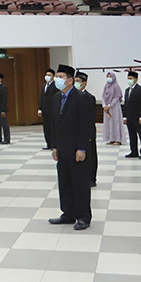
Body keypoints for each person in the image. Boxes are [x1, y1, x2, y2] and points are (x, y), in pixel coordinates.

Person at [48, 64, 94, 230]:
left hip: (77, 149)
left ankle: (83, 216)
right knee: (65, 182)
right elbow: (54, 124)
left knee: (80, 183)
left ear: (70, 80)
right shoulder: (56, 98)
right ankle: (67, 214)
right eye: (57, 76)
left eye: (60, 77)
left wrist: (82, 148)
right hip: (62, 148)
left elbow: (85, 126)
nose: (57, 79)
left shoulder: (82, 98)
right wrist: (54, 146)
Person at [74, 72, 98, 187]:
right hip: (75, 132)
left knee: (91, 157)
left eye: (78, 81)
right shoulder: (72, 97)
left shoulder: (89, 98)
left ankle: (92, 179)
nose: (76, 83)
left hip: (88, 132)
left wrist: (89, 134)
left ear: (84, 83)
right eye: (75, 81)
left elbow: (91, 117)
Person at [124, 71, 141, 159]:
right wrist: (125, 116)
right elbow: (126, 104)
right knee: (131, 134)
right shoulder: (127, 90)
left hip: (138, 117)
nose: (129, 80)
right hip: (129, 117)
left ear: (136, 79)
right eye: (128, 78)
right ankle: (134, 151)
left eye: (131, 78)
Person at [101, 72, 125, 146]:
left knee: (115, 123)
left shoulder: (116, 86)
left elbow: (117, 97)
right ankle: (111, 139)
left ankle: (118, 139)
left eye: (110, 76)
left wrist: (109, 105)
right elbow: (103, 96)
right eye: (107, 76)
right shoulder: (106, 86)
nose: (109, 78)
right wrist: (104, 105)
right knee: (108, 123)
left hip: (114, 107)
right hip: (106, 108)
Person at [38, 68, 58, 150]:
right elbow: (42, 98)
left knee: (52, 128)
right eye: (46, 75)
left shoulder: (55, 85)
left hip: (52, 110)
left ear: (53, 77)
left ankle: (53, 144)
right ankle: (48, 143)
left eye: (49, 75)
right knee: (46, 128)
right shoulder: (44, 85)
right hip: (45, 110)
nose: (47, 76)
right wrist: (40, 109)